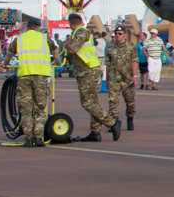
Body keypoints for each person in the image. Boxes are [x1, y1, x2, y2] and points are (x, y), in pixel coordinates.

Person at [64, 12, 119, 141]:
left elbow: (72, 50)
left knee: (87, 103)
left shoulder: (80, 32)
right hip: (87, 69)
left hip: (87, 70)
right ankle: (95, 131)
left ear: (70, 23)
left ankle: (112, 122)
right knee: (93, 102)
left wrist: (68, 42)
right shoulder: (80, 32)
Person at [8, 16, 59, 146]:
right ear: (37, 27)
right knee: (40, 107)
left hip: (25, 74)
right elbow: (55, 50)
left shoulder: (19, 38)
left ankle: (28, 138)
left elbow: (10, 53)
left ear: (27, 26)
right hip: (40, 75)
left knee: (25, 108)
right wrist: (58, 63)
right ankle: (38, 137)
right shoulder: (44, 37)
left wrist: (5, 64)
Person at [105, 26, 137, 131]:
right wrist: (107, 79)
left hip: (127, 79)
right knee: (113, 101)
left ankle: (130, 118)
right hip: (114, 78)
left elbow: (134, 61)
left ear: (124, 34)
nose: (117, 35)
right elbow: (108, 65)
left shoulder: (131, 47)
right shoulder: (110, 48)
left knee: (130, 101)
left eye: (120, 33)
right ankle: (114, 122)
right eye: (116, 33)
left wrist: (134, 76)